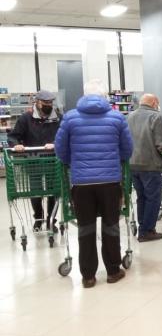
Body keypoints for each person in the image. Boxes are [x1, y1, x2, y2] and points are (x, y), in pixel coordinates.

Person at [54, 80, 134, 288]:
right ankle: (113, 271)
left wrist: (76, 163)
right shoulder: (117, 118)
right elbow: (127, 150)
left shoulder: (70, 118)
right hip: (110, 182)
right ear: (104, 96)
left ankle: (88, 276)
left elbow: (60, 151)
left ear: (84, 95)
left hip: (81, 184)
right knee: (111, 225)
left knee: (85, 228)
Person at [7, 90, 62, 232]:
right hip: (33, 161)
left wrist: (56, 143)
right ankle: (38, 218)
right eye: (45, 103)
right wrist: (16, 144)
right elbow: (13, 136)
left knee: (53, 192)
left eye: (50, 103)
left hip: (53, 161)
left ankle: (51, 220)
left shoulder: (58, 118)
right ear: (37, 102)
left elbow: (65, 135)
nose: (48, 105)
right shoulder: (26, 118)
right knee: (35, 192)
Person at [127, 94, 162, 242]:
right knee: (153, 198)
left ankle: (142, 228)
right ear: (153, 103)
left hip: (133, 164)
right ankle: (147, 231)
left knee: (141, 197)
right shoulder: (157, 117)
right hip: (151, 165)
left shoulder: (129, 117)